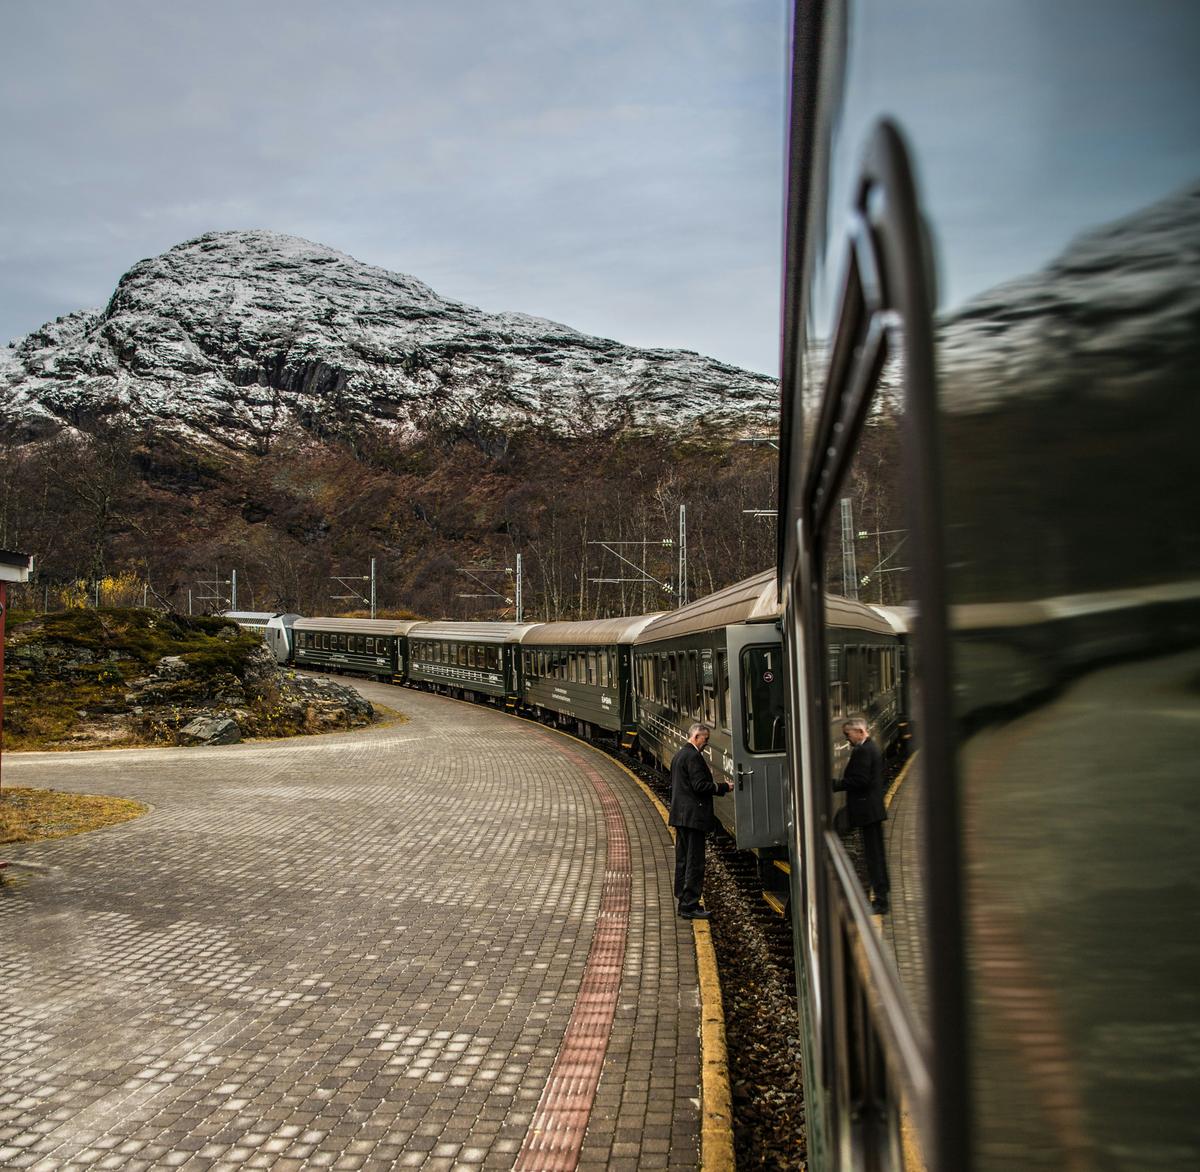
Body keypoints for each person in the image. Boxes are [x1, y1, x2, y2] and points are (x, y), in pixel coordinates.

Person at [668, 722, 733, 920]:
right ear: (696, 736)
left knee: (683, 860)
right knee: (694, 862)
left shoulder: (680, 755)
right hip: (693, 817)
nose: (706, 744)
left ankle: (683, 900)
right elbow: (700, 786)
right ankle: (690, 905)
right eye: (705, 740)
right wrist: (722, 787)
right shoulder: (693, 757)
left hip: (681, 816)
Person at [833, 716, 891, 915]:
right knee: (876, 855)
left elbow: (860, 780)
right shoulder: (870, 747)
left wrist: (834, 784)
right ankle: (882, 896)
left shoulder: (863, 751)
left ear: (859, 732)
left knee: (874, 857)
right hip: (872, 810)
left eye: (848, 735)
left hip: (868, 811)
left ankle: (881, 902)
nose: (847, 739)